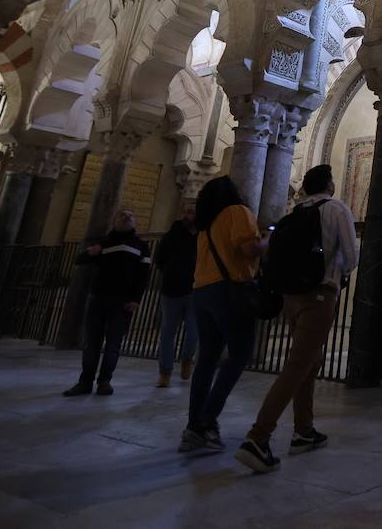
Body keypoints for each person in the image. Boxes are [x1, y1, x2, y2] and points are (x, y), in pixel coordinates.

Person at [236, 164, 357, 474]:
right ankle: (258, 437)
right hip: (319, 293)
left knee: (311, 360)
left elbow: (270, 252)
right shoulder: (336, 209)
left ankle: (304, 430)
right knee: (299, 364)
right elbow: (351, 255)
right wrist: (336, 273)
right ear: (330, 185)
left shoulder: (292, 214)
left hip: (291, 297)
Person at [181, 176, 264, 453]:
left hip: (201, 292)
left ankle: (193, 427)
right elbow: (249, 249)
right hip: (228, 293)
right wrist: (269, 242)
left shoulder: (206, 226)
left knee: (207, 359)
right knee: (240, 355)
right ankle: (206, 421)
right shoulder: (236, 212)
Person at [62, 210, 151, 397]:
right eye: (122, 215)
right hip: (99, 297)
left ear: (135, 222)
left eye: (130, 215)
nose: (127, 216)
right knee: (91, 343)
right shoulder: (103, 243)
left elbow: (143, 276)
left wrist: (136, 299)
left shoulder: (141, 246)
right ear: (114, 221)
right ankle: (85, 382)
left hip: (123, 301)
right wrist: (92, 251)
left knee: (113, 344)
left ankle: (104, 381)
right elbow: (80, 260)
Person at [153, 203, 199, 387]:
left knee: (194, 331)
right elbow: (160, 259)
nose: (190, 215)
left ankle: (187, 358)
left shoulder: (204, 236)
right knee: (167, 332)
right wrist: (171, 272)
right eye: (187, 212)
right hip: (172, 290)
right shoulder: (172, 235)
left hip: (195, 290)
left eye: (193, 213)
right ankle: (165, 371)